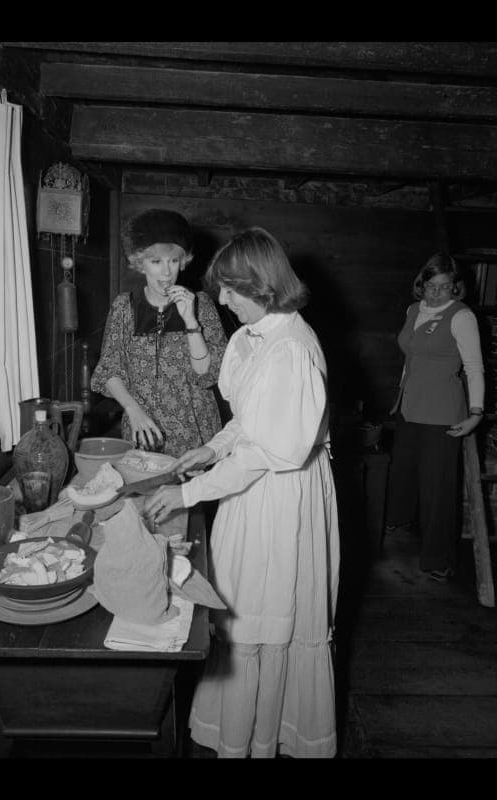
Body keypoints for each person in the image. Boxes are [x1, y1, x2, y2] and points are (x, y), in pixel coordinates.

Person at [146, 228, 340, 758]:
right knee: (241, 606)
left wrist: (191, 495)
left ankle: (263, 736)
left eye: (230, 290)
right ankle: (238, 732)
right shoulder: (249, 339)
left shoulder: (291, 351)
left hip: (283, 494)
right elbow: (246, 424)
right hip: (250, 487)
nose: (222, 300)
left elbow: (267, 452)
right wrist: (209, 449)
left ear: (259, 284)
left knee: (268, 606)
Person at [91, 209, 227, 457]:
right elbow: (109, 369)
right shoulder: (125, 307)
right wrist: (133, 411)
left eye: (173, 261)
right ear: (139, 264)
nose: (167, 272)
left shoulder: (202, 304)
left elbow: (208, 375)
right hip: (144, 431)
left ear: (182, 261)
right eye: (156, 262)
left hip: (195, 434)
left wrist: (190, 321)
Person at [384, 252, 485, 582]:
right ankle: (410, 533)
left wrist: (476, 413)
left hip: (442, 414)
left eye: (444, 286)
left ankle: (438, 560)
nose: (435, 292)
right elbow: (410, 358)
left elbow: (473, 368)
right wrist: (400, 395)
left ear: (455, 287)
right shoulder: (413, 310)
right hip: (409, 409)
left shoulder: (462, 316)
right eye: (430, 285)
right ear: (421, 284)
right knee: (405, 479)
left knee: (438, 490)